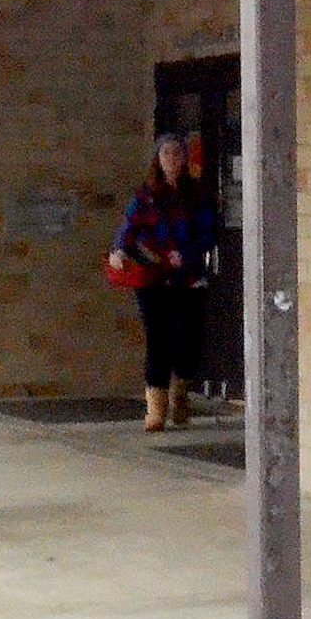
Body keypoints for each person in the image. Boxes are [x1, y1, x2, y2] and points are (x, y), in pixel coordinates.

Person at [109, 131, 220, 431]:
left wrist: (188, 253)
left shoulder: (197, 194)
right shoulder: (145, 196)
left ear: (184, 159)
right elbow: (128, 228)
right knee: (158, 341)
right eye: (166, 153)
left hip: (189, 278)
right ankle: (155, 411)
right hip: (153, 278)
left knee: (188, 341)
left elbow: (209, 231)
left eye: (177, 153)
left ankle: (180, 395)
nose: (172, 159)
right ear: (157, 159)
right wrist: (118, 251)